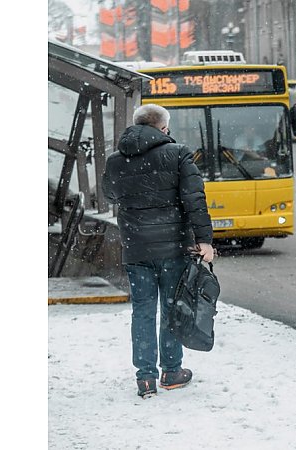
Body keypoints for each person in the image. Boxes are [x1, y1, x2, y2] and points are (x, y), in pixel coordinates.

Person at [103, 104, 215, 399]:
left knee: (142, 311)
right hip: (173, 248)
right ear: (163, 128)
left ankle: (145, 379)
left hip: (136, 248)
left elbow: (110, 194)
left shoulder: (116, 160)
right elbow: (194, 200)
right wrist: (205, 240)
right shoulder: (178, 154)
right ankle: (171, 371)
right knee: (171, 307)